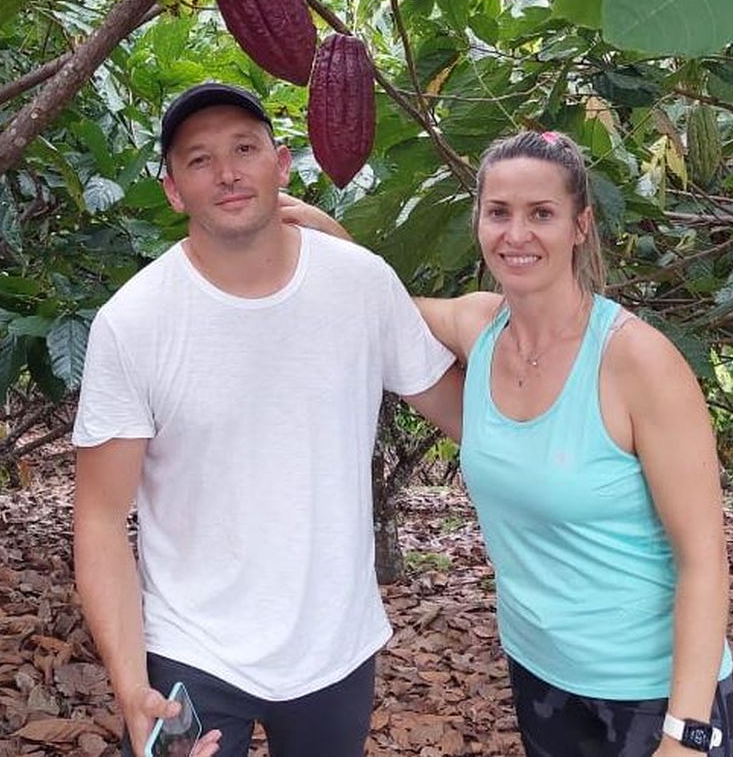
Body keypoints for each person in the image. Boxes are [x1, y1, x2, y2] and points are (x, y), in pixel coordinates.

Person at [281, 129, 733, 757]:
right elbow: (382, 311)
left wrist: (687, 731)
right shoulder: (478, 324)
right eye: (499, 212)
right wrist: (328, 236)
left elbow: (705, 558)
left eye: (541, 214)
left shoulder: (638, 362)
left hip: (653, 691)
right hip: (540, 673)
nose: (515, 235)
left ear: (580, 225)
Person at [71, 82, 462, 757]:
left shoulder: (359, 282)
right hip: (194, 644)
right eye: (199, 160)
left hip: (332, 642)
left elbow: (459, 408)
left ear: (281, 165)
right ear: (172, 190)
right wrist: (131, 686)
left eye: (244, 149)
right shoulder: (133, 323)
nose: (226, 173)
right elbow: (100, 517)